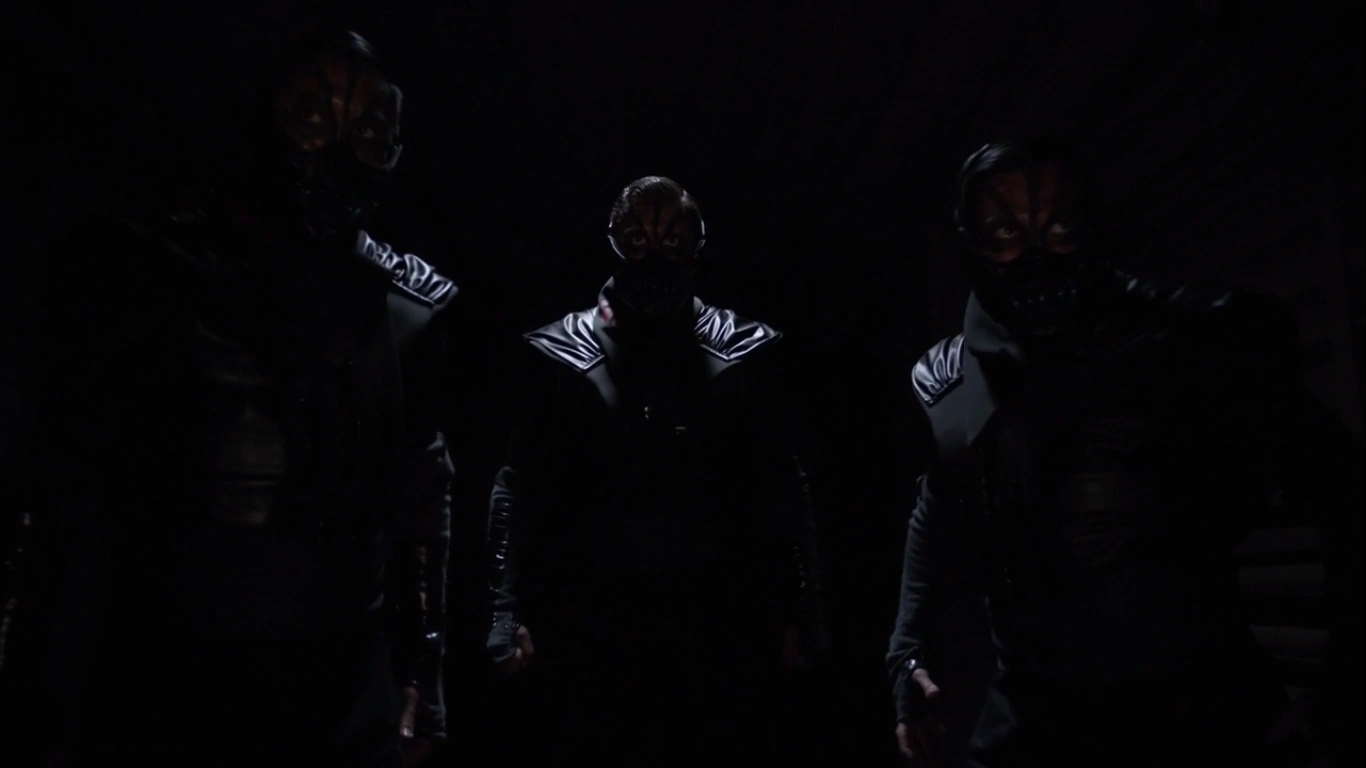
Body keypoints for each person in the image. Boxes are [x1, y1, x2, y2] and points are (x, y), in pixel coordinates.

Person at [1, 31, 455, 768]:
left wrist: (421, 669)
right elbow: (59, 488)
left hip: (338, 670)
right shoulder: (158, 270)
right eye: (314, 116)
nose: (336, 149)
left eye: (367, 129)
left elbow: (419, 491)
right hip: (175, 659)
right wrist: (28, 675)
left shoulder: (408, 306)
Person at [887, 137, 1365, 767]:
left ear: (1088, 226)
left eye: (1058, 227)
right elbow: (935, 510)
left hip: (1196, 704)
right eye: (1005, 232)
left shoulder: (1187, 345)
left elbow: (1343, 487)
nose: (1035, 257)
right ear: (971, 240)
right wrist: (907, 652)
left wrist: (1347, 675)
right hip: (1034, 712)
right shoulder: (950, 382)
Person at [485, 176, 829, 766]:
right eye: (637, 238)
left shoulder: (743, 352)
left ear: (695, 243)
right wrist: (502, 608)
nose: (653, 254)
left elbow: (782, 489)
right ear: (615, 241)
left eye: (671, 239)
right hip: (593, 621)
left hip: (715, 622)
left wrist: (805, 609)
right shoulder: (560, 354)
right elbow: (518, 487)